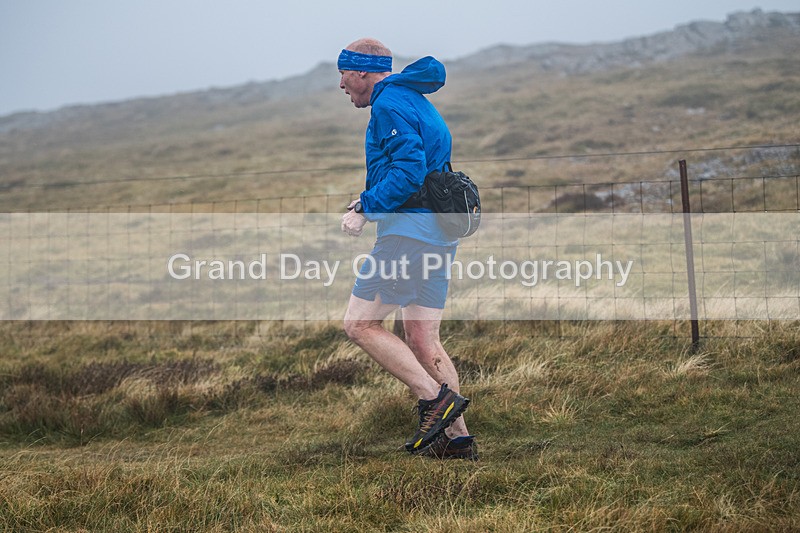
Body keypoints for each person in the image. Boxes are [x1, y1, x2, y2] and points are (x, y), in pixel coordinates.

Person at [338, 38, 477, 460]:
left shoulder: (388, 104)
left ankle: (433, 399)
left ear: (361, 72)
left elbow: (410, 170)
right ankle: (457, 441)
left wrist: (367, 206)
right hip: (437, 234)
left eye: (343, 75)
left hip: (409, 234)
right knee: (422, 338)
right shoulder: (412, 98)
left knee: (360, 324)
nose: (341, 85)